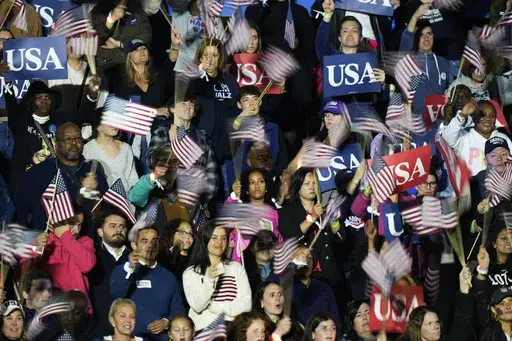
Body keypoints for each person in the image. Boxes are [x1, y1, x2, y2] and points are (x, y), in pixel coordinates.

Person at [14, 122, 108, 236]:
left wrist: (92, 194)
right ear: (57, 145)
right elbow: (22, 211)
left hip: (83, 245)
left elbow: (102, 214)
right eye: (68, 139)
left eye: (78, 138)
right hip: (49, 245)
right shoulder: (36, 174)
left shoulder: (93, 174)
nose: (74, 142)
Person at [110, 226, 185, 341]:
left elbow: (178, 309)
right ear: (134, 245)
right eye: (145, 241)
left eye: (154, 241)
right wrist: (130, 268)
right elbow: (116, 293)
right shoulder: (124, 270)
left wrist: (166, 322)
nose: (150, 245)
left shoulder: (169, 277)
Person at [278, 168, 345, 288]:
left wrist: (334, 221)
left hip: (330, 276)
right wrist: (312, 217)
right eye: (307, 183)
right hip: (304, 275)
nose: (311, 187)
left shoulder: (325, 210)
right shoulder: (287, 212)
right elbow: (291, 237)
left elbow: (341, 239)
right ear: (298, 186)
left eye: (314, 183)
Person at [148, 94, 218, 207]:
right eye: (183, 103)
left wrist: (203, 202)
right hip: (168, 201)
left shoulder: (202, 137)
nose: (188, 107)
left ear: (194, 112)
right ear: (172, 109)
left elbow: (211, 173)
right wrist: (171, 142)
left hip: (195, 201)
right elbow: (151, 161)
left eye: (192, 105)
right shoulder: (161, 132)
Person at [182, 223, 252, 330]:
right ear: (205, 239)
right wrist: (210, 280)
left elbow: (246, 305)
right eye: (214, 237)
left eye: (223, 238)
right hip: (205, 331)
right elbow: (198, 305)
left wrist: (215, 306)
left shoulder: (236, 268)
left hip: (233, 329)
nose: (219, 242)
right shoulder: (191, 272)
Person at [34, 204, 96, 315]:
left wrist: (65, 236)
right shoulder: (43, 243)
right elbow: (24, 277)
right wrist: (36, 250)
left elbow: (87, 265)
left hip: (79, 315)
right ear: (56, 223)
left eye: (80, 225)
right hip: (51, 314)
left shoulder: (84, 242)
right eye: (72, 225)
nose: (77, 230)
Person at [186, 38, 239, 164]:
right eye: (206, 55)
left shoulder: (230, 81)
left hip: (227, 147)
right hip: (202, 146)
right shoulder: (193, 80)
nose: (210, 60)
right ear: (200, 58)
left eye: (214, 55)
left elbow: (236, 110)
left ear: (220, 58)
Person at [399, 4, 455, 116]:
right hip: (417, 120)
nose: (426, 38)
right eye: (421, 35)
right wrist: (415, 17)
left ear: (434, 36)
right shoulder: (409, 60)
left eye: (429, 34)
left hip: (439, 119)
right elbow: (406, 38)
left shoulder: (444, 62)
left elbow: (451, 88)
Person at [267, 247, 340, 327]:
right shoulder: (282, 283)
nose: (306, 261)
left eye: (309, 258)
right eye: (300, 257)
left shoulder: (323, 287)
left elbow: (335, 320)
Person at [88, 208, 131, 337]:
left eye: (122, 227)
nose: (118, 230)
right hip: (98, 329)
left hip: (128, 330)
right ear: (100, 232)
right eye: (112, 226)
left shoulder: (135, 258)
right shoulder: (91, 255)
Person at [441, 100, 512, 176]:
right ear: (474, 118)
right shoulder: (463, 138)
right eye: (483, 115)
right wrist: (462, 115)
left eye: (492, 116)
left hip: (501, 185)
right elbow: (446, 138)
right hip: (472, 186)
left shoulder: (503, 138)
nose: (488, 119)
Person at [83, 109, 139, 192]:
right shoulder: (87, 149)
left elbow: (133, 180)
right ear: (98, 127)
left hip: (124, 200)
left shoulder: (126, 148)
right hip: (99, 200)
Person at [48, 38, 107, 114]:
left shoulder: (96, 74)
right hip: (58, 124)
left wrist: (93, 94)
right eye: (70, 41)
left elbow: (101, 108)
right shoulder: (52, 73)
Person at [91, 0, 152, 70]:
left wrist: (120, 44)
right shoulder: (100, 10)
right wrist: (111, 19)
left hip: (123, 63)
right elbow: (96, 42)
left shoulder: (136, 10)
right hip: (98, 63)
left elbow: (146, 35)